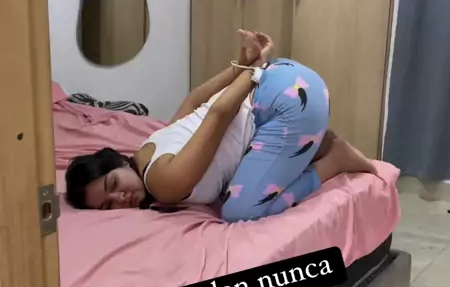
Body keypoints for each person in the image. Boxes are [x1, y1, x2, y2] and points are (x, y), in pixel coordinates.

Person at [66, 30, 377, 222]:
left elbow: (218, 114)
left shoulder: (163, 185)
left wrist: (253, 70)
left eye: (113, 185)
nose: (121, 198)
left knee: (240, 211)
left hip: (290, 99)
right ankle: (314, 144)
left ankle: (335, 160)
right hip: (288, 80)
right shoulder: (150, 145)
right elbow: (193, 102)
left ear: (119, 162)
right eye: (108, 206)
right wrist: (240, 66)